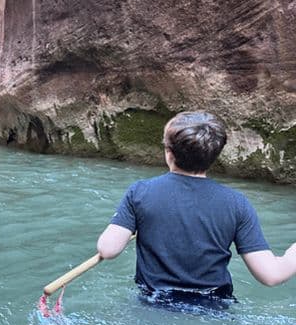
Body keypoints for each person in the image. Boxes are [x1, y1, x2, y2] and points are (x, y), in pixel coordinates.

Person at [96, 111, 296, 309]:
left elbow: (108, 250)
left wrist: (131, 221)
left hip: (155, 303)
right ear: (215, 155)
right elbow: (272, 275)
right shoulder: (237, 203)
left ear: (169, 153)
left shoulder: (140, 192)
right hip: (213, 308)